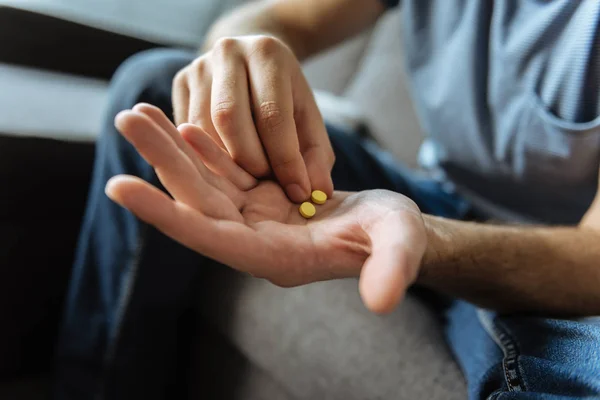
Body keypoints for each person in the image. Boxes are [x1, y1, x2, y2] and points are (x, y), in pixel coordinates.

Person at [55, 0, 600, 399]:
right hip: (435, 188)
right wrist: (241, 45)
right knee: (155, 83)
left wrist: (428, 240)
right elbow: (281, 18)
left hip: (557, 243)